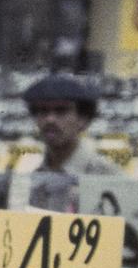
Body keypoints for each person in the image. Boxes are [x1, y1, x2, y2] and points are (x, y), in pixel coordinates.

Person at [22, 73, 120, 210]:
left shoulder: (107, 175)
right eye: (43, 111)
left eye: (61, 111)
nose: (50, 120)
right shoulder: (34, 175)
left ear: (83, 120)